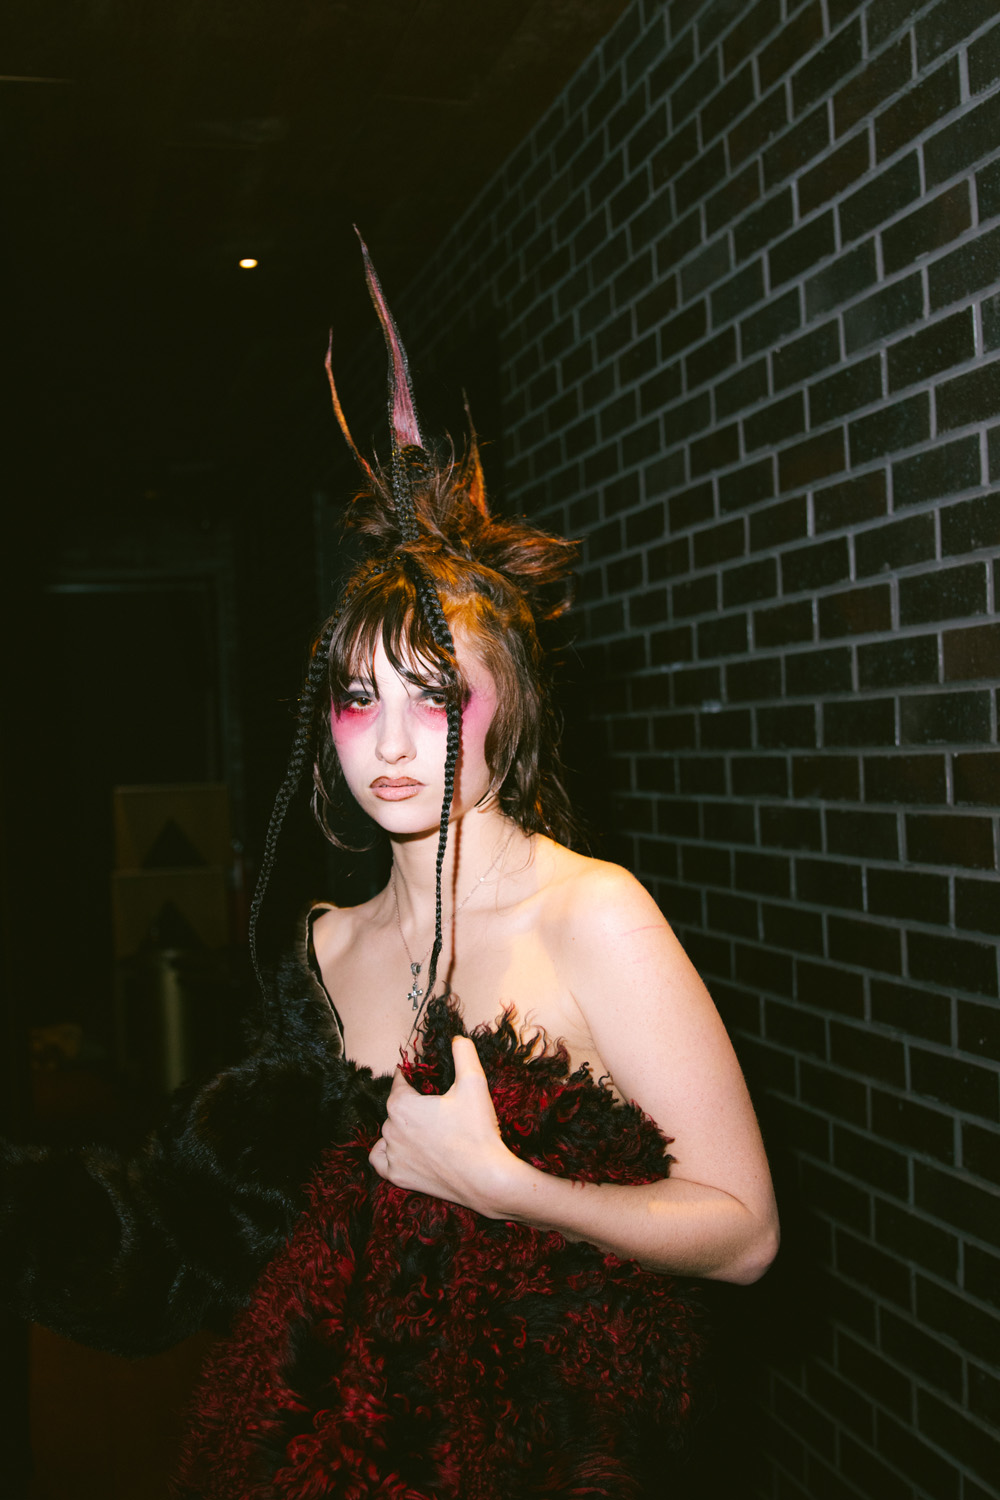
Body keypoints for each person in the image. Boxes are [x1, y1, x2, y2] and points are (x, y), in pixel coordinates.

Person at [2, 239, 777, 1498]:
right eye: (361, 699)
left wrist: (504, 1185)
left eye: (437, 695)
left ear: (510, 711)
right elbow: (224, 1234)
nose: (397, 744)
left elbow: (742, 1234)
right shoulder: (324, 945)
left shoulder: (593, 915)